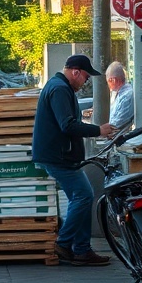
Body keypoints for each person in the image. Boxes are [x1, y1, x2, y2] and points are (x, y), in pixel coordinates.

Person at [31, 54, 116, 266]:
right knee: (84, 195)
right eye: (86, 77)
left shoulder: (59, 86)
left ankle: (81, 249)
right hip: (59, 157)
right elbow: (67, 125)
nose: (86, 82)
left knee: (81, 198)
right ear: (76, 72)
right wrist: (98, 130)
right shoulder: (60, 89)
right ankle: (65, 243)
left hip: (60, 155)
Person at [106, 61, 134, 131]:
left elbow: (117, 123)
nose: (108, 85)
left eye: (108, 81)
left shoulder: (127, 97)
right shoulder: (118, 94)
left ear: (114, 80)